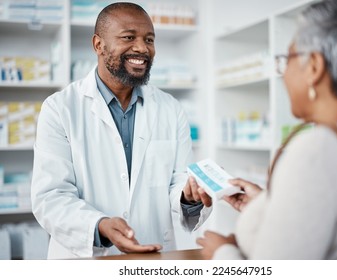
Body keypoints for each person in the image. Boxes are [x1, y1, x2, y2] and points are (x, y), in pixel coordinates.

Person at [197, 0, 337, 259]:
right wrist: (269, 204)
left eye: (287, 58)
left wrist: (222, 252)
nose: (284, 72)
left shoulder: (314, 151)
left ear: (314, 67)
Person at [31, 2, 212, 259]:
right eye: (129, 37)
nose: (142, 48)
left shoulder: (171, 109)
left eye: (149, 39)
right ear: (98, 45)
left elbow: (178, 181)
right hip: (84, 261)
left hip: (152, 256)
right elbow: (51, 196)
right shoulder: (60, 108)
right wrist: (99, 225)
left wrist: (188, 196)